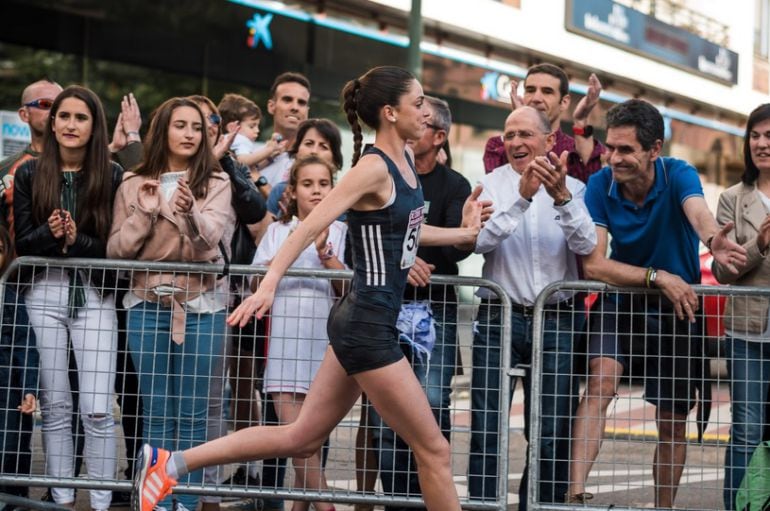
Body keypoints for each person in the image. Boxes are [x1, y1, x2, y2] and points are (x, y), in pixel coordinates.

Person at [131, 65, 488, 511]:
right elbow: (306, 229)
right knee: (434, 449)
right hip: (367, 328)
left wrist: (463, 234)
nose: (426, 110)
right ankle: (169, 466)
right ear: (390, 112)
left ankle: (169, 465)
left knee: (301, 437)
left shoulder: (404, 164)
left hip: (362, 320)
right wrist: (268, 285)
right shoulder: (372, 168)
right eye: (418, 102)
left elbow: (409, 231)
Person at [567, 98, 747, 508]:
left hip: (678, 307)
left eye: (626, 149)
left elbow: (698, 213)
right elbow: (595, 263)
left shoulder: (679, 173)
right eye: (611, 147)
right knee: (598, 386)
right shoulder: (600, 183)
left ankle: (663, 506)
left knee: (671, 420)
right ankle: (572, 496)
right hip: (625, 299)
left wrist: (712, 238)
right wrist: (656, 277)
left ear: (654, 150)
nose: (614, 157)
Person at [108, 97, 234, 511]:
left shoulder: (216, 182)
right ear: (162, 130)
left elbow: (209, 244)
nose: (189, 134)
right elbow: (115, 252)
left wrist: (190, 212)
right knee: (157, 412)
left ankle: (189, 502)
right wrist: (143, 215)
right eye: (180, 125)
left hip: (202, 307)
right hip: (145, 305)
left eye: (196, 127)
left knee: (195, 415)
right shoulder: (132, 182)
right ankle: (159, 503)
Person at [468, 106, 597, 508]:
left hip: (557, 320)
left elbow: (587, 246)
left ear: (548, 141)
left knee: (550, 427)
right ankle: (485, 504)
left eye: (525, 134)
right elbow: (478, 241)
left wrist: (560, 198)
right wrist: (521, 201)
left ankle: (537, 506)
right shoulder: (488, 185)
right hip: (498, 318)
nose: (516, 143)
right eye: (509, 135)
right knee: (487, 425)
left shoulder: (575, 189)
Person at [14, 84, 123, 511]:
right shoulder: (28, 172)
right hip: (43, 292)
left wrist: (76, 241)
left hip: (94, 296)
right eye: (64, 116)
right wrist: (51, 234)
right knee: (55, 406)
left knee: (97, 409)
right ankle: (59, 500)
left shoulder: (112, 174)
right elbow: (23, 242)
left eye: (81, 117)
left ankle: (100, 501)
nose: (71, 125)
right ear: (52, 122)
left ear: (95, 125)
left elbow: (115, 249)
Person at [367, 96, 472, 510]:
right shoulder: (384, 172)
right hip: (385, 308)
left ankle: (428, 498)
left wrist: (466, 233)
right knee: (384, 415)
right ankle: (396, 500)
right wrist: (402, 261)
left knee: (431, 403)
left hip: (436, 309)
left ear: (439, 136)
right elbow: (364, 236)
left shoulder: (455, 185)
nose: (414, 125)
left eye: (423, 121)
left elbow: (458, 249)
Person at [256, 155, 347, 511]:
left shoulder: (341, 232)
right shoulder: (278, 231)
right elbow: (255, 279)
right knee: (296, 438)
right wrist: (289, 251)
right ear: (292, 191)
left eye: (323, 184)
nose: (316, 191)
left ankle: (304, 506)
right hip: (283, 347)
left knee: (312, 440)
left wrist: (325, 253)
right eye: (307, 184)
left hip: (323, 348)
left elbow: (347, 288)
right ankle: (326, 506)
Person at [712, 103, 770, 510]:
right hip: (748, 333)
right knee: (747, 430)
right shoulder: (733, 198)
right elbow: (723, 272)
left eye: (769, 136)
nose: (762, 144)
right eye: (755, 135)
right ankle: (740, 507)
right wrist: (759, 245)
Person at [482, 63, 605, 184]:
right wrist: (521, 122)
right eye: (530, 90)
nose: (536, 98)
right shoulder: (497, 145)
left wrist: (580, 120)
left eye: (547, 92)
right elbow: (498, 188)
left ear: (564, 102)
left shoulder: (573, 150)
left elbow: (592, 185)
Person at [0, 223, 38, 500]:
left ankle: (14, 496)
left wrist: (28, 387)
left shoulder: (11, 299)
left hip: (7, 384)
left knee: (12, 442)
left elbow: (26, 346)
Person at [0, 79, 63, 243]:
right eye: (45, 104)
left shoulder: (80, 164)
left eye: (59, 105)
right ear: (24, 114)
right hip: (15, 266)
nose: (54, 112)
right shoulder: (5, 168)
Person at [265, 118, 344, 218]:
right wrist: (284, 217)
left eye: (323, 146)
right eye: (309, 143)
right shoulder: (280, 191)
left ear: (334, 159)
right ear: (296, 151)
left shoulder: (343, 200)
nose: (314, 151)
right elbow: (265, 232)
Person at [219, 93, 286, 194]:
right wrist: (269, 150)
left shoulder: (228, 141)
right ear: (232, 127)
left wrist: (268, 158)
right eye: (252, 126)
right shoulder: (239, 139)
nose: (257, 130)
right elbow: (243, 161)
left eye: (257, 126)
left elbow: (250, 167)